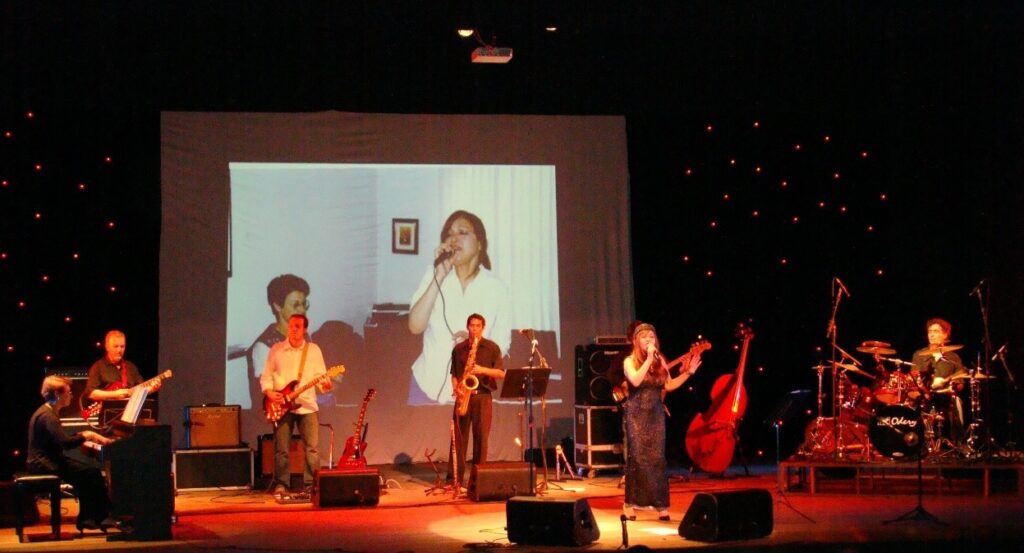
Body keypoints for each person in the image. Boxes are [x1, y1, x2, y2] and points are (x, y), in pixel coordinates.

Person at [407, 210, 509, 404]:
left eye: (462, 232)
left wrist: (475, 348)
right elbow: (415, 326)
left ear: (480, 244)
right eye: (450, 234)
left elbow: (501, 344)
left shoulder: (496, 288)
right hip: (426, 386)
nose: (454, 238)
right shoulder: (434, 274)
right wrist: (439, 274)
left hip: (472, 392)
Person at [621, 323, 700, 521]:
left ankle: (661, 505)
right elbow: (636, 381)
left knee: (657, 458)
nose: (649, 340)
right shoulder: (629, 361)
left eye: (652, 337)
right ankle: (629, 504)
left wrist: (688, 373)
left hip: (656, 414)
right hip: (636, 414)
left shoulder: (661, 361)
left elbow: (669, 385)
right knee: (637, 458)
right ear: (635, 340)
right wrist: (648, 359)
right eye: (644, 337)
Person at [27, 376, 114, 531]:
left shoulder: (48, 411)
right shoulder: (48, 416)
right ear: (58, 395)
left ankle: (88, 518)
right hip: (44, 464)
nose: (71, 395)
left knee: (85, 476)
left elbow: (59, 439)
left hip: (46, 461)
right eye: (68, 392)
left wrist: (85, 435)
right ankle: (101, 517)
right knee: (92, 473)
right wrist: (86, 435)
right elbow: (65, 443)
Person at [261, 314, 333, 495]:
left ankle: (311, 484)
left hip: (307, 405)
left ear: (305, 329)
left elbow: (321, 379)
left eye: (298, 326)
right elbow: (266, 377)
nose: (293, 329)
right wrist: (270, 393)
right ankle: (282, 484)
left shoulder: (314, 350)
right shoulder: (276, 349)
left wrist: (325, 385)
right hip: (282, 406)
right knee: (281, 449)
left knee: (312, 449)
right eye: (291, 325)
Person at [448, 313, 505, 488]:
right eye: (472, 325)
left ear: (483, 327)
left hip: (482, 396)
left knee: (481, 439)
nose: (474, 329)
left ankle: (478, 480)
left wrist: (482, 370)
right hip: (464, 395)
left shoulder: (492, 347)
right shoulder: (459, 349)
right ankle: (454, 479)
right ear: (468, 327)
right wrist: (457, 389)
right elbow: (454, 374)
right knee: (458, 439)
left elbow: (501, 373)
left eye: (478, 325)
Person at [248, 274, 310, 410]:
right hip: (273, 419)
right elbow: (268, 390)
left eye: (304, 304)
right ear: (277, 306)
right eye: (296, 305)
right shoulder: (263, 346)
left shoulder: (304, 337)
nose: (302, 310)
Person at [911, 318, 967, 444]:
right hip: (923, 396)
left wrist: (950, 386)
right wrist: (925, 390)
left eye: (936, 331)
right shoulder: (919, 355)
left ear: (945, 334)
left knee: (956, 401)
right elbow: (913, 379)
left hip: (945, 397)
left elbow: (960, 384)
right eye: (930, 331)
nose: (931, 334)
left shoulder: (953, 357)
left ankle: (957, 442)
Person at [83, 330, 160, 416]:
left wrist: (151, 389)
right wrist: (114, 394)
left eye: (122, 346)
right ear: (107, 347)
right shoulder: (98, 367)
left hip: (130, 415)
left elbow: (140, 389)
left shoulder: (131, 367)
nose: (119, 350)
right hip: (108, 416)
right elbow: (91, 393)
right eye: (116, 346)